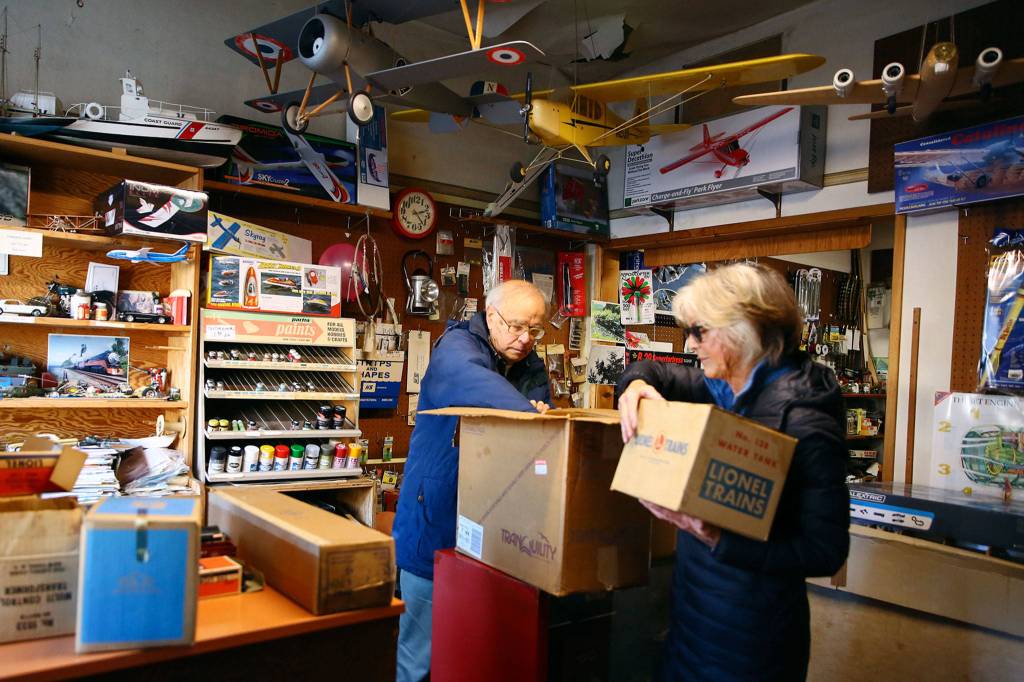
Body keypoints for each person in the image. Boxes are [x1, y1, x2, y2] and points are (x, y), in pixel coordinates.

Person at [617, 263, 849, 682]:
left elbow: (826, 551)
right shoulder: (724, 386)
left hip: (752, 641)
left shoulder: (806, 418)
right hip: (692, 620)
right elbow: (657, 373)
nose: (691, 345)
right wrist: (634, 385)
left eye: (699, 332)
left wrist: (717, 538)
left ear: (740, 330)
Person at [393, 279, 551, 682]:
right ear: (490, 316)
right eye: (516, 326)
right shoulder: (457, 348)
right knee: (419, 656)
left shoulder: (529, 362)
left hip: (494, 525)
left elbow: (542, 427)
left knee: (476, 653)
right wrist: (528, 415)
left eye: (535, 330)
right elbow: (474, 383)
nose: (525, 338)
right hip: (435, 518)